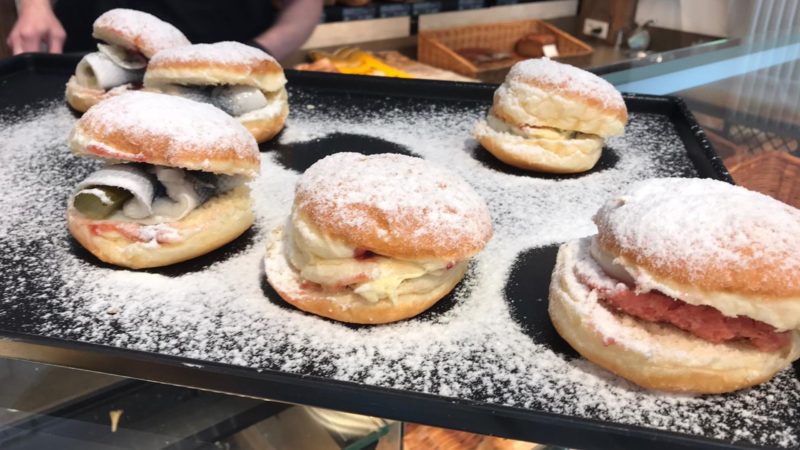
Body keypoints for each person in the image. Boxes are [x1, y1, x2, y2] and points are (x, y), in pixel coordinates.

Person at [7, 0, 323, 60]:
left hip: (223, 78)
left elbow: (305, 5)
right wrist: (35, 7)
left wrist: (258, 52)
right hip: (93, 65)